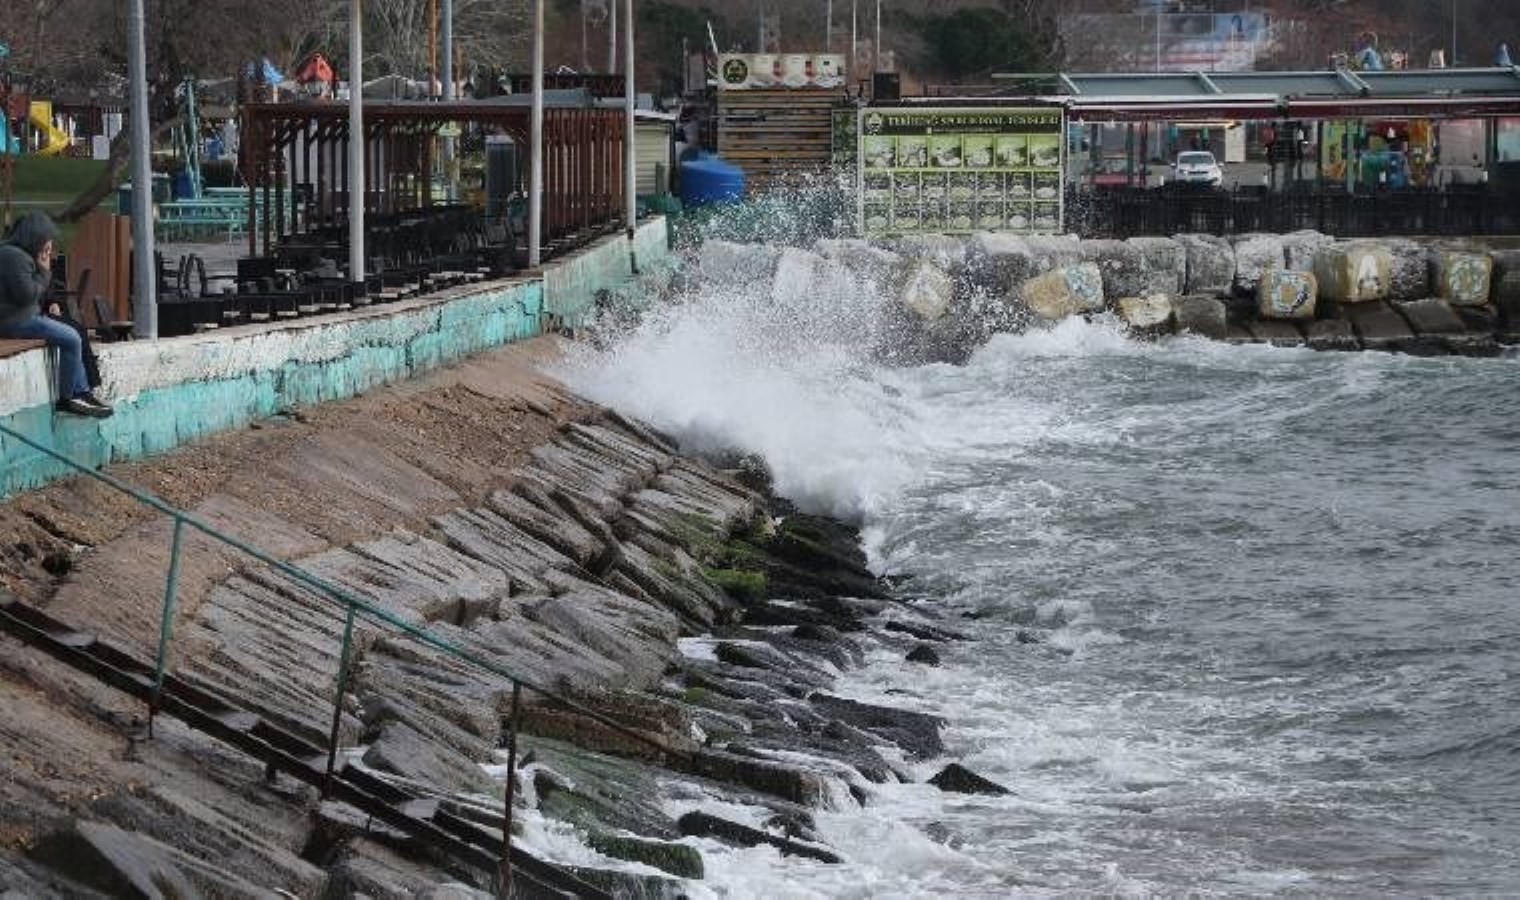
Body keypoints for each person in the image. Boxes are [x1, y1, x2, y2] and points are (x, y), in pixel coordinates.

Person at [0, 213, 112, 418]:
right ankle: (67, 398)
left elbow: (35, 293)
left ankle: (81, 392)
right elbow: (26, 295)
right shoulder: (12, 256)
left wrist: (44, 281)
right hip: (14, 322)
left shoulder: (20, 255)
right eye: (46, 238)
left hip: (25, 317)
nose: (49, 244)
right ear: (35, 236)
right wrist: (44, 271)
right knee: (71, 338)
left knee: (73, 334)